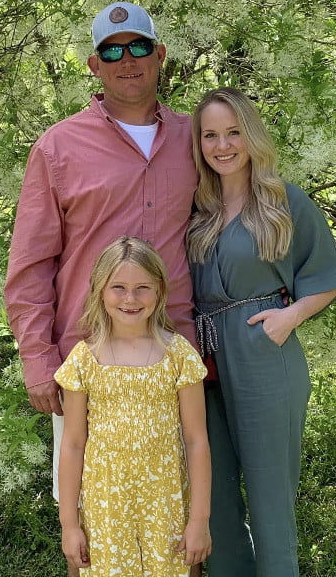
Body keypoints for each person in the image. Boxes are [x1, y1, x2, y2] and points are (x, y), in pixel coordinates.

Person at [3, 1, 201, 576]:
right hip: (86, 356)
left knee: (177, 504)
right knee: (87, 515)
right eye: (112, 51)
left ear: (160, 55)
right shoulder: (58, 148)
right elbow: (30, 263)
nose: (127, 60)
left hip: (174, 354)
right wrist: (38, 359)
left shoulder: (195, 140)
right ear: (94, 65)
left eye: (139, 46)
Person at [186, 87, 336, 577]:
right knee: (212, 497)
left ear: (251, 135)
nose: (222, 145)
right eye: (210, 135)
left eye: (233, 132)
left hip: (263, 352)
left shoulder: (284, 201)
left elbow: (328, 275)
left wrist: (289, 318)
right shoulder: (198, 208)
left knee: (269, 498)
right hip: (204, 359)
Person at [55, 236, 212, 576]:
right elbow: (72, 444)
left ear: (160, 291)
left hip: (166, 508)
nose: (130, 298)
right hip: (105, 511)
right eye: (118, 287)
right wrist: (70, 524)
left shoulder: (179, 355)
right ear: (99, 290)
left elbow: (197, 439)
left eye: (143, 287)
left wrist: (199, 520)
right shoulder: (84, 359)